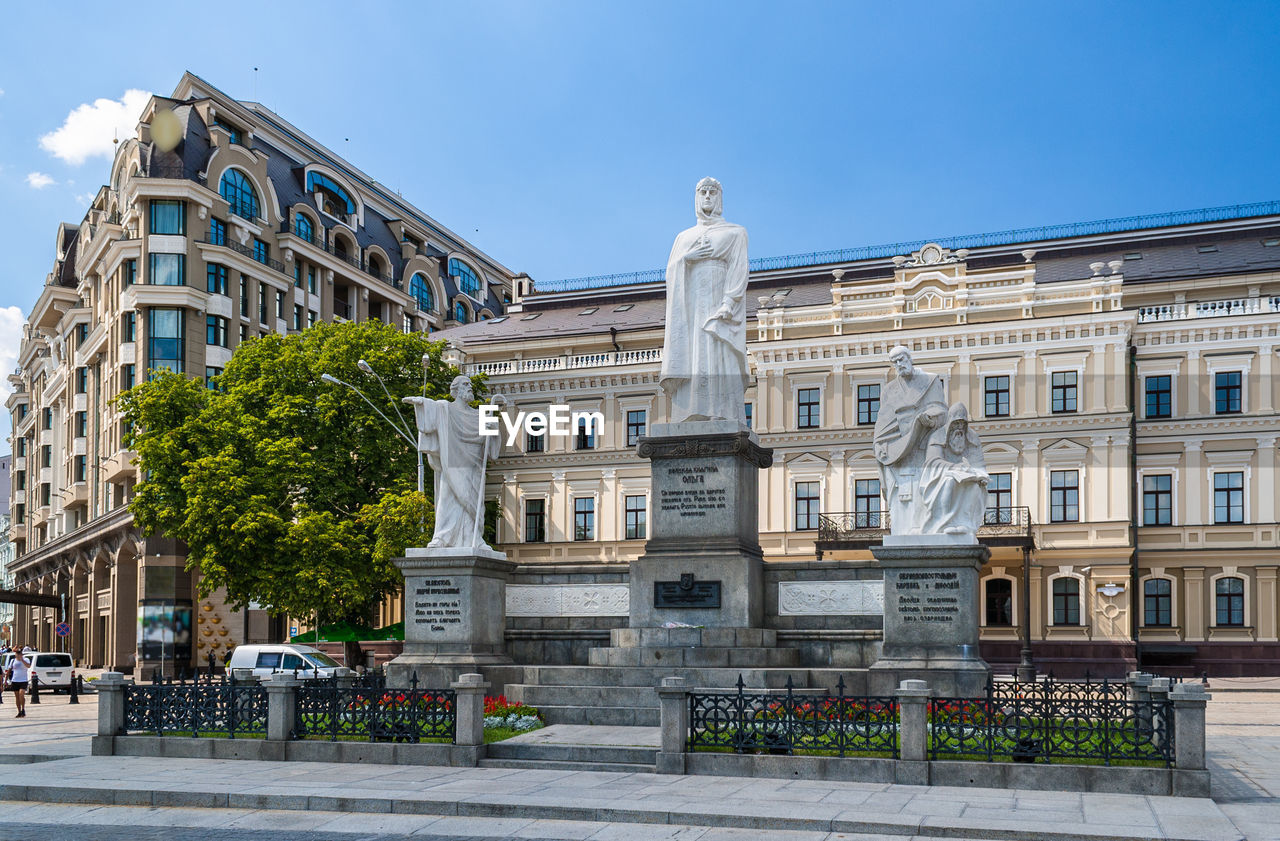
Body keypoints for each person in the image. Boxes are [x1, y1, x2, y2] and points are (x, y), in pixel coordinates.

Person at [659, 177, 750, 424]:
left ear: (719, 198)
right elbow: (671, 273)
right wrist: (686, 259)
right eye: (703, 192)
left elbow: (739, 269)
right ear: (696, 198)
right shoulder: (684, 237)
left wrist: (729, 303)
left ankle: (723, 412)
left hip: (719, 302)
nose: (707, 196)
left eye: (712, 192)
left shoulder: (735, 232)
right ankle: (692, 411)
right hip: (692, 306)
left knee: (719, 351)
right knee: (696, 353)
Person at [404, 376, 503, 550]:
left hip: (473, 465)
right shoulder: (445, 409)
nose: (470, 387)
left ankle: (475, 538)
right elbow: (431, 410)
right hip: (451, 463)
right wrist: (420, 403)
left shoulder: (480, 415)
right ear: (455, 390)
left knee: (474, 502)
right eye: (466, 384)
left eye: (470, 384)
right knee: (447, 499)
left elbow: (493, 450)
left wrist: (493, 431)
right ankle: (441, 537)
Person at [873, 346, 947, 534]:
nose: (899, 364)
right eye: (895, 362)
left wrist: (929, 418)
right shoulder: (889, 390)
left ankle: (926, 529)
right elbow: (884, 421)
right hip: (899, 449)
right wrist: (882, 444)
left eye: (902, 359)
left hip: (924, 444)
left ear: (909, 358)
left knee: (923, 491)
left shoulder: (930, 381)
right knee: (903, 495)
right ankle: (903, 531)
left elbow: (941, 411)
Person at [917, 403, 990, 538]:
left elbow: (979, 463)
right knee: (949, 481)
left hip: (967, 477)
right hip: (940, 478)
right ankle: (946, 523)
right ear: (950, 423)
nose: (959, 428)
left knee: (975, 486)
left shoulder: (972, 438)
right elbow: (933, 461)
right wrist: (953, 467)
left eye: (962, 424)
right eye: (956, 424)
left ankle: (965, 523)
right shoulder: (937, 436)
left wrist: (981, 475)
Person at [6, 647, 32, 718]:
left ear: (22, 654)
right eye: (17, 653)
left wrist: (22, 660)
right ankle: (19, 711)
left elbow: (28, 666)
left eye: (19, 653)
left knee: (21, 694)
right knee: (17, 697)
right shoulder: (13, 660)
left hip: (23, 680)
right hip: (15, 680)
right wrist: (5, 680)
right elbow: (9, 670)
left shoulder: (26, 659)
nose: (18, 654)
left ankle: (23, 709)